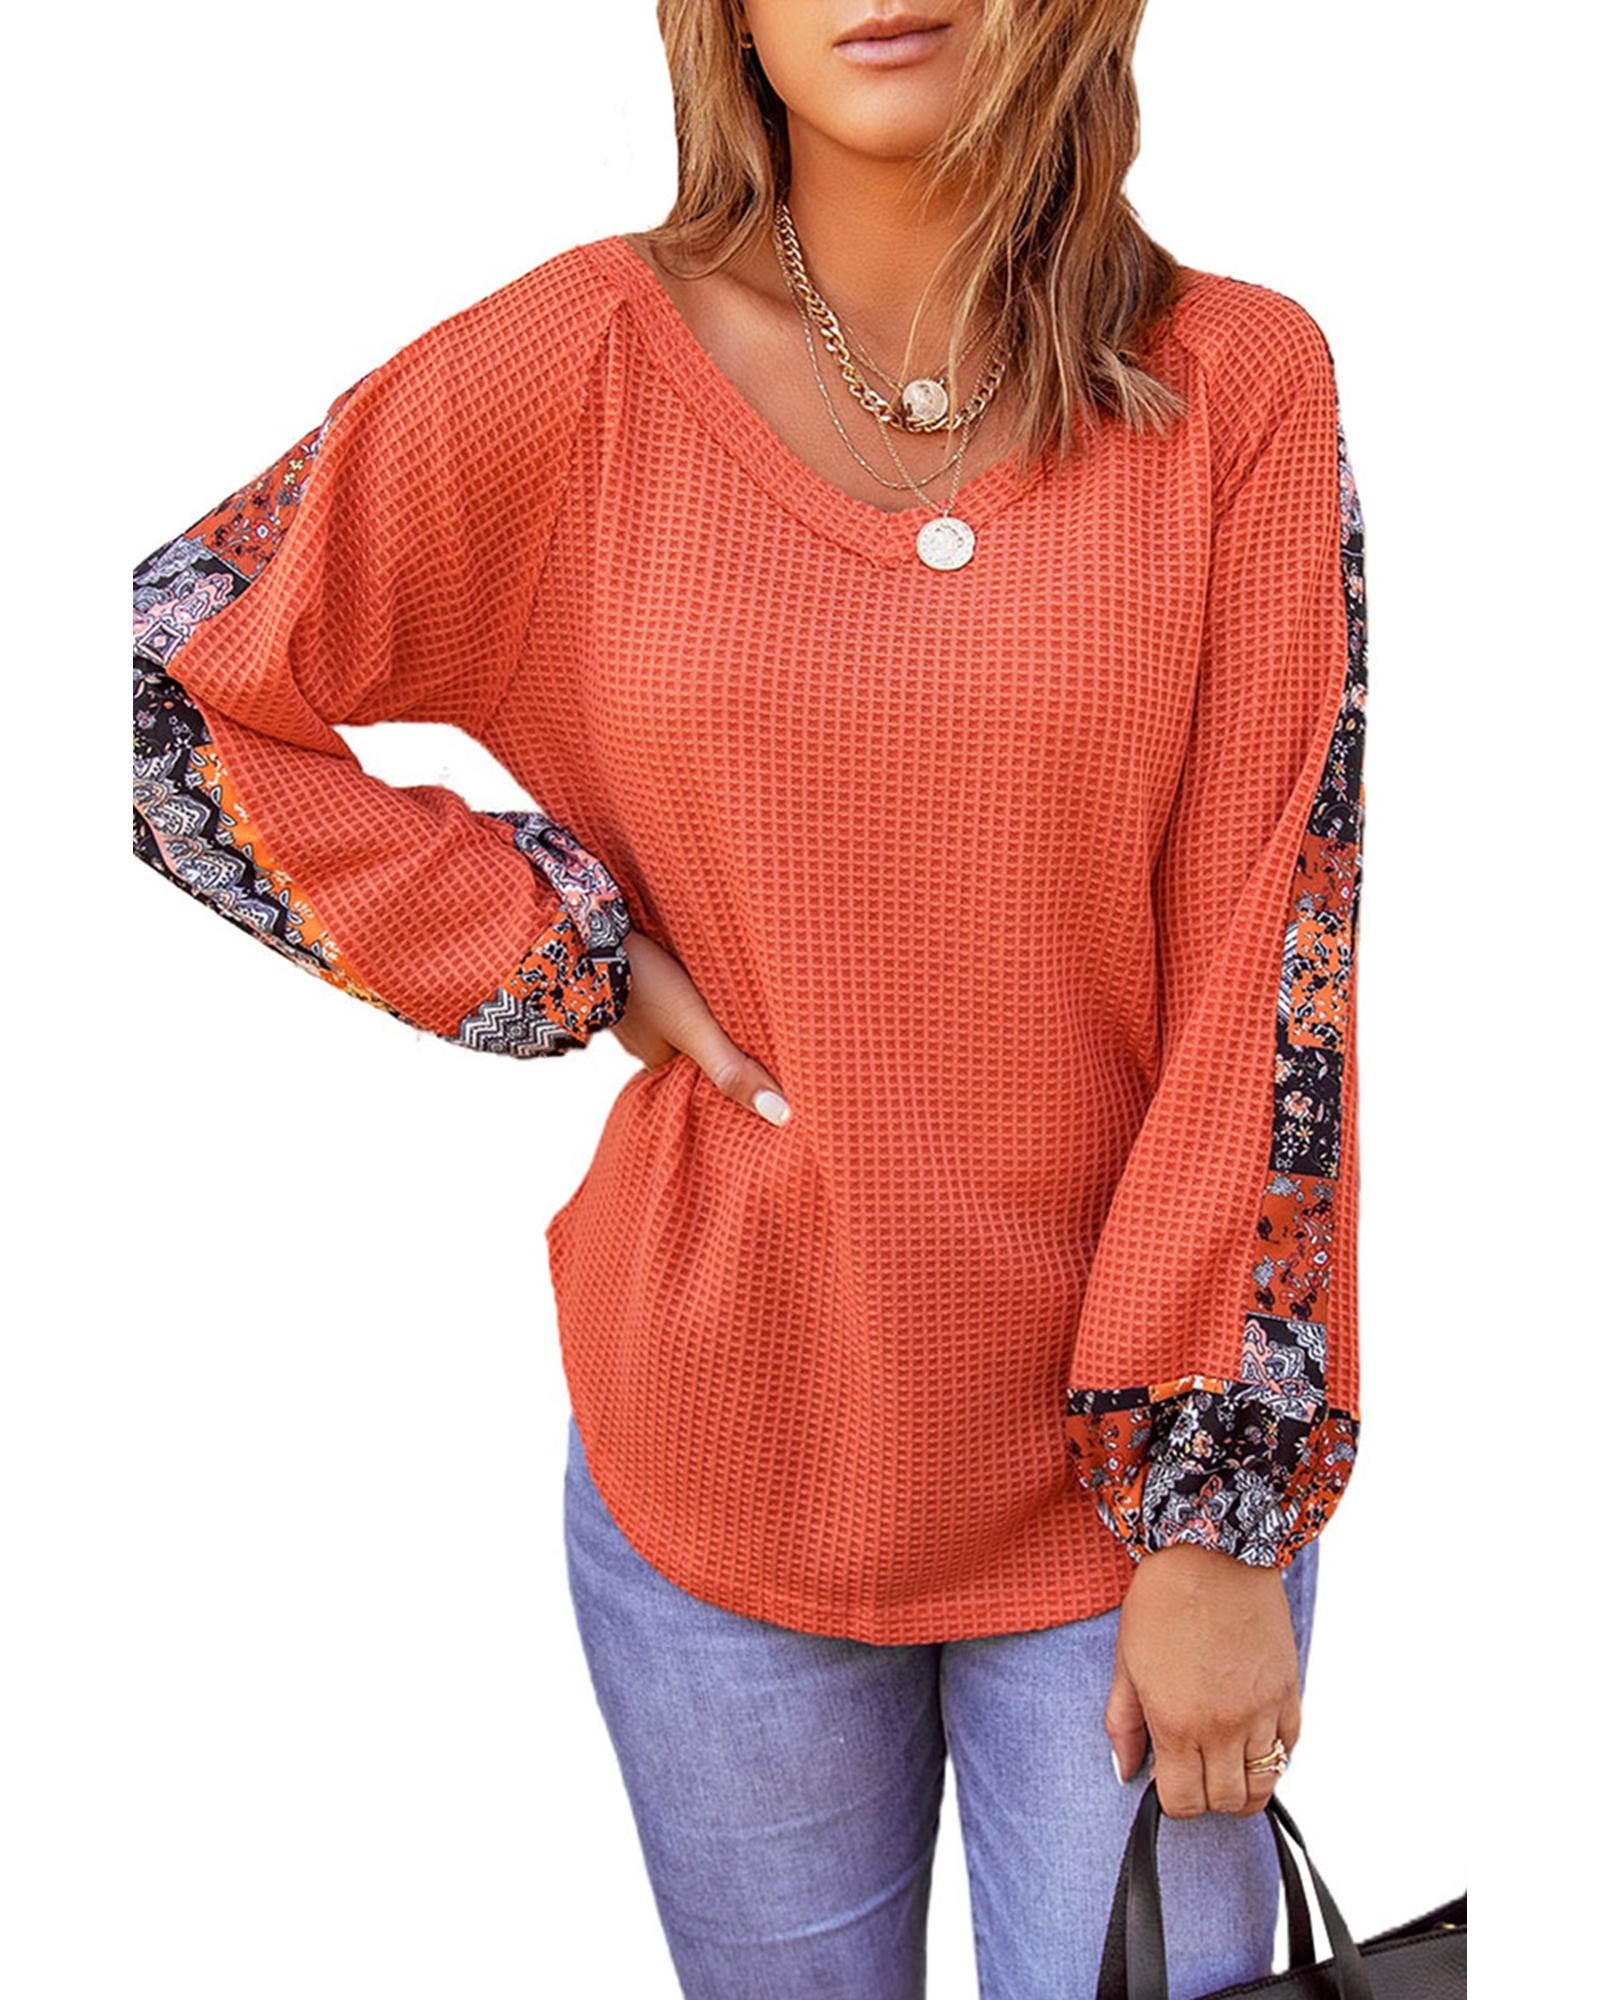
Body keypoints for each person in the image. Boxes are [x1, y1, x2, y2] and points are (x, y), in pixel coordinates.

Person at [129, 3, 1367, 1994]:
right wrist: (554, 944)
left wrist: (1215, 1522)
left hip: (1129, 1501)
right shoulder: (575, 363)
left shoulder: (1234, 383)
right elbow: (165, 686)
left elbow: (1273, 969)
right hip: (725, 1446)